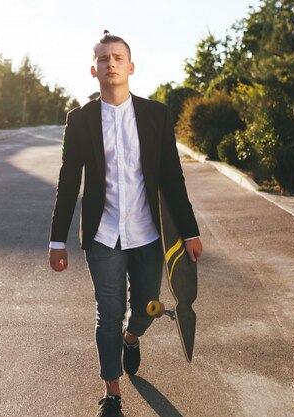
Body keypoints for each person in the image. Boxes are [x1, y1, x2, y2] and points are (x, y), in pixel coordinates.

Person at [48, 30, 203, 417]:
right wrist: (57, 240)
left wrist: (190, 231)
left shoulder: (155, 114)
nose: (111, 64)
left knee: (146, 306)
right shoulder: (80, 120)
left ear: (131, 66)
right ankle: (112, 392)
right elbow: (69, 181)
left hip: (149, 235)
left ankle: (132, 338)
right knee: (108, 313)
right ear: (93, 69)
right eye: (104, 59)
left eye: (118, 58)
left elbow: (172, 177)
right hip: (103, 236)